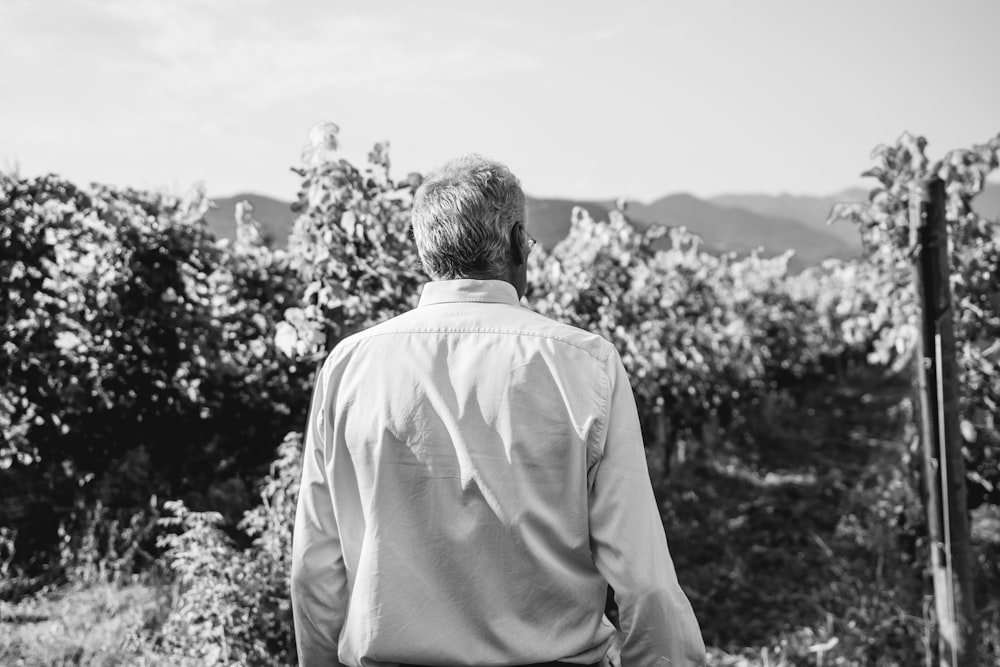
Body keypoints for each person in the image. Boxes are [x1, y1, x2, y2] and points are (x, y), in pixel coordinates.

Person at [290, 155, 705, 667]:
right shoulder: (582, 363)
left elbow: (315, 566)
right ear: (513, 241)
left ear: (427, 254)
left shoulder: (350, 365)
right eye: (526, 243)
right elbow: (643, 578)